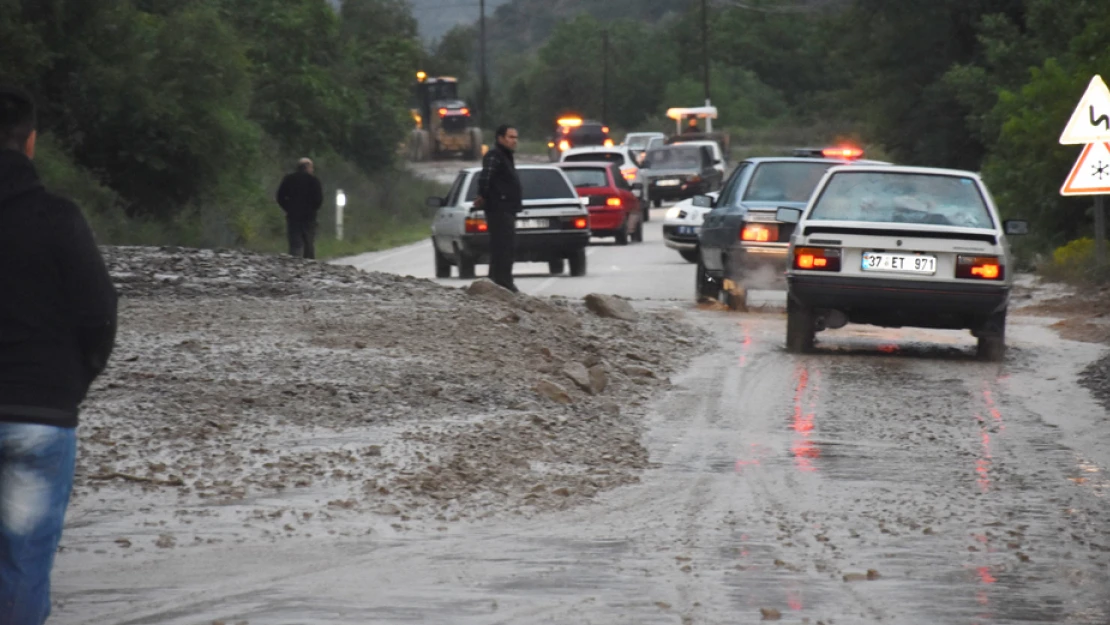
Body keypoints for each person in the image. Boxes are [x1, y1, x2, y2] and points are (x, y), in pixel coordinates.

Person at [0, 86, 118, 625]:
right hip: (41, 415)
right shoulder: (59, 219)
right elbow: (98, 315)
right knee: (24, 569)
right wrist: (70, 386)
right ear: (30, 143)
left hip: (42, 406)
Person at [474, 125, 522, 292]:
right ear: (500, 138)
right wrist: (483, 195)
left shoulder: (506, 156)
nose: (514, 141)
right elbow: (486, 177)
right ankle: (503, 282)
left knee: (505, 246)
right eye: (510, 137)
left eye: (515, 137)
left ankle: (497, 281)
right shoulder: (495, 155)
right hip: (499, 208)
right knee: (502, 246)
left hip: (507, 208)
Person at [276, 157, 323, 259]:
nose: (312, 170)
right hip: (309, 217)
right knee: (308, 241)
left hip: (293, 215)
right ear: (307, 167)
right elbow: (319, 199)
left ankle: (295, 262)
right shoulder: (314, 181)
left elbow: (280, 197)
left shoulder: (289, 179)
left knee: (295, 241)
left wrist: (288, 208)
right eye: (312, 167)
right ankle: (309, 263)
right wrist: (312, 209)